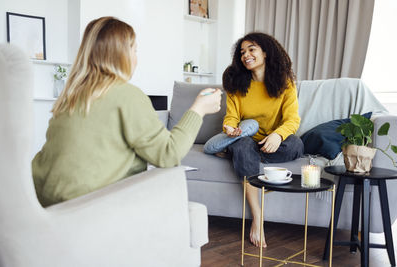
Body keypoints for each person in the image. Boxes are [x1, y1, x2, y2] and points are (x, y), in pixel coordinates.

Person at [32, 16, 222, 207]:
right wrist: (198, 109)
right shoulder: (126, 95)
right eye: (135, 50)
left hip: (43, 200)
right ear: (121, 55)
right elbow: (168, 154)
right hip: (84, 208)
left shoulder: (71, 95)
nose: (136, 58)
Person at [208, 32, 304, 247]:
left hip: (274, 140)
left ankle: (239, 156)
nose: (246, 55)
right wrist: (230, 127)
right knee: (242, 145)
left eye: (251, 49)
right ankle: (257, 217)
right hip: (247, 139)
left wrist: (278, 135)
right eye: (242, 52)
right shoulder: (236, 83)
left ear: (265, 53)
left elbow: (292, 119)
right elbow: (232, 116)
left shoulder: (285, 83)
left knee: (296, 144)